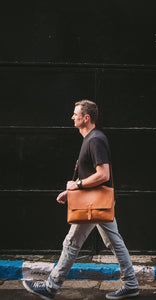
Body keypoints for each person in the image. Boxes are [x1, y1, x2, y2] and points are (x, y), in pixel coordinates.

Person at [23, 100, 139, 300]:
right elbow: (90, 174)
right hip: (98, 201)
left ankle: (50, 287)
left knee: (72, 242)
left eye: (76, 114)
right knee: (114, 242)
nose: (72, 117)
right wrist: (71, 191)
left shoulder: (95, 139)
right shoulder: (90, 139)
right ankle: (131, 284)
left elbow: (103, 175)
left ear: (86, 118)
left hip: (95, 203)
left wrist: (76, 186)